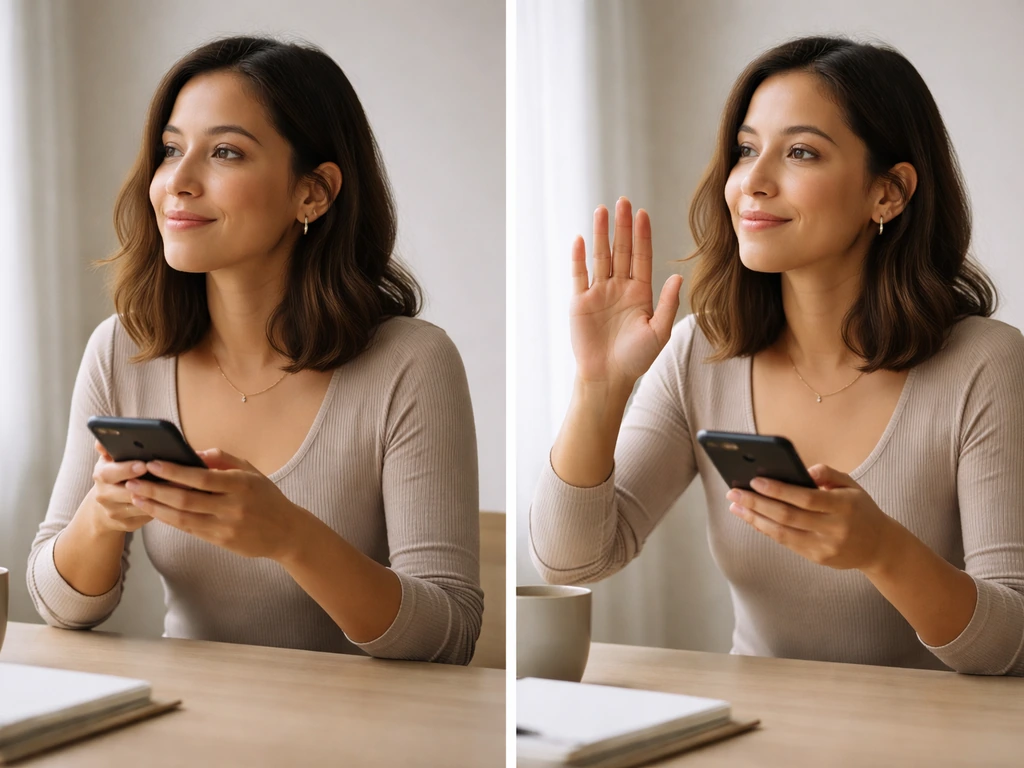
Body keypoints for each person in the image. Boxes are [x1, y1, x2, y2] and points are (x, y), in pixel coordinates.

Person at [530, 36, 1024, 676]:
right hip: (754, 731)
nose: (751, 183)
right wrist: (599, 386)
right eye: (745, 150)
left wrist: (883, 551)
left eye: (800, 152)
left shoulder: (984, 363)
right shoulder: (702, 354)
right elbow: (572, 560)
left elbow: (1011, 646)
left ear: (889, 193)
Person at [27, 36, 482, 665]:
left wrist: (291, 537)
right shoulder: (124, 349)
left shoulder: (411, 363)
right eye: (170, 150)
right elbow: (60, 607)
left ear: (314, 193)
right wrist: (101, 517)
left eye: (224, 152)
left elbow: (451, 634)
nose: (176, 183)